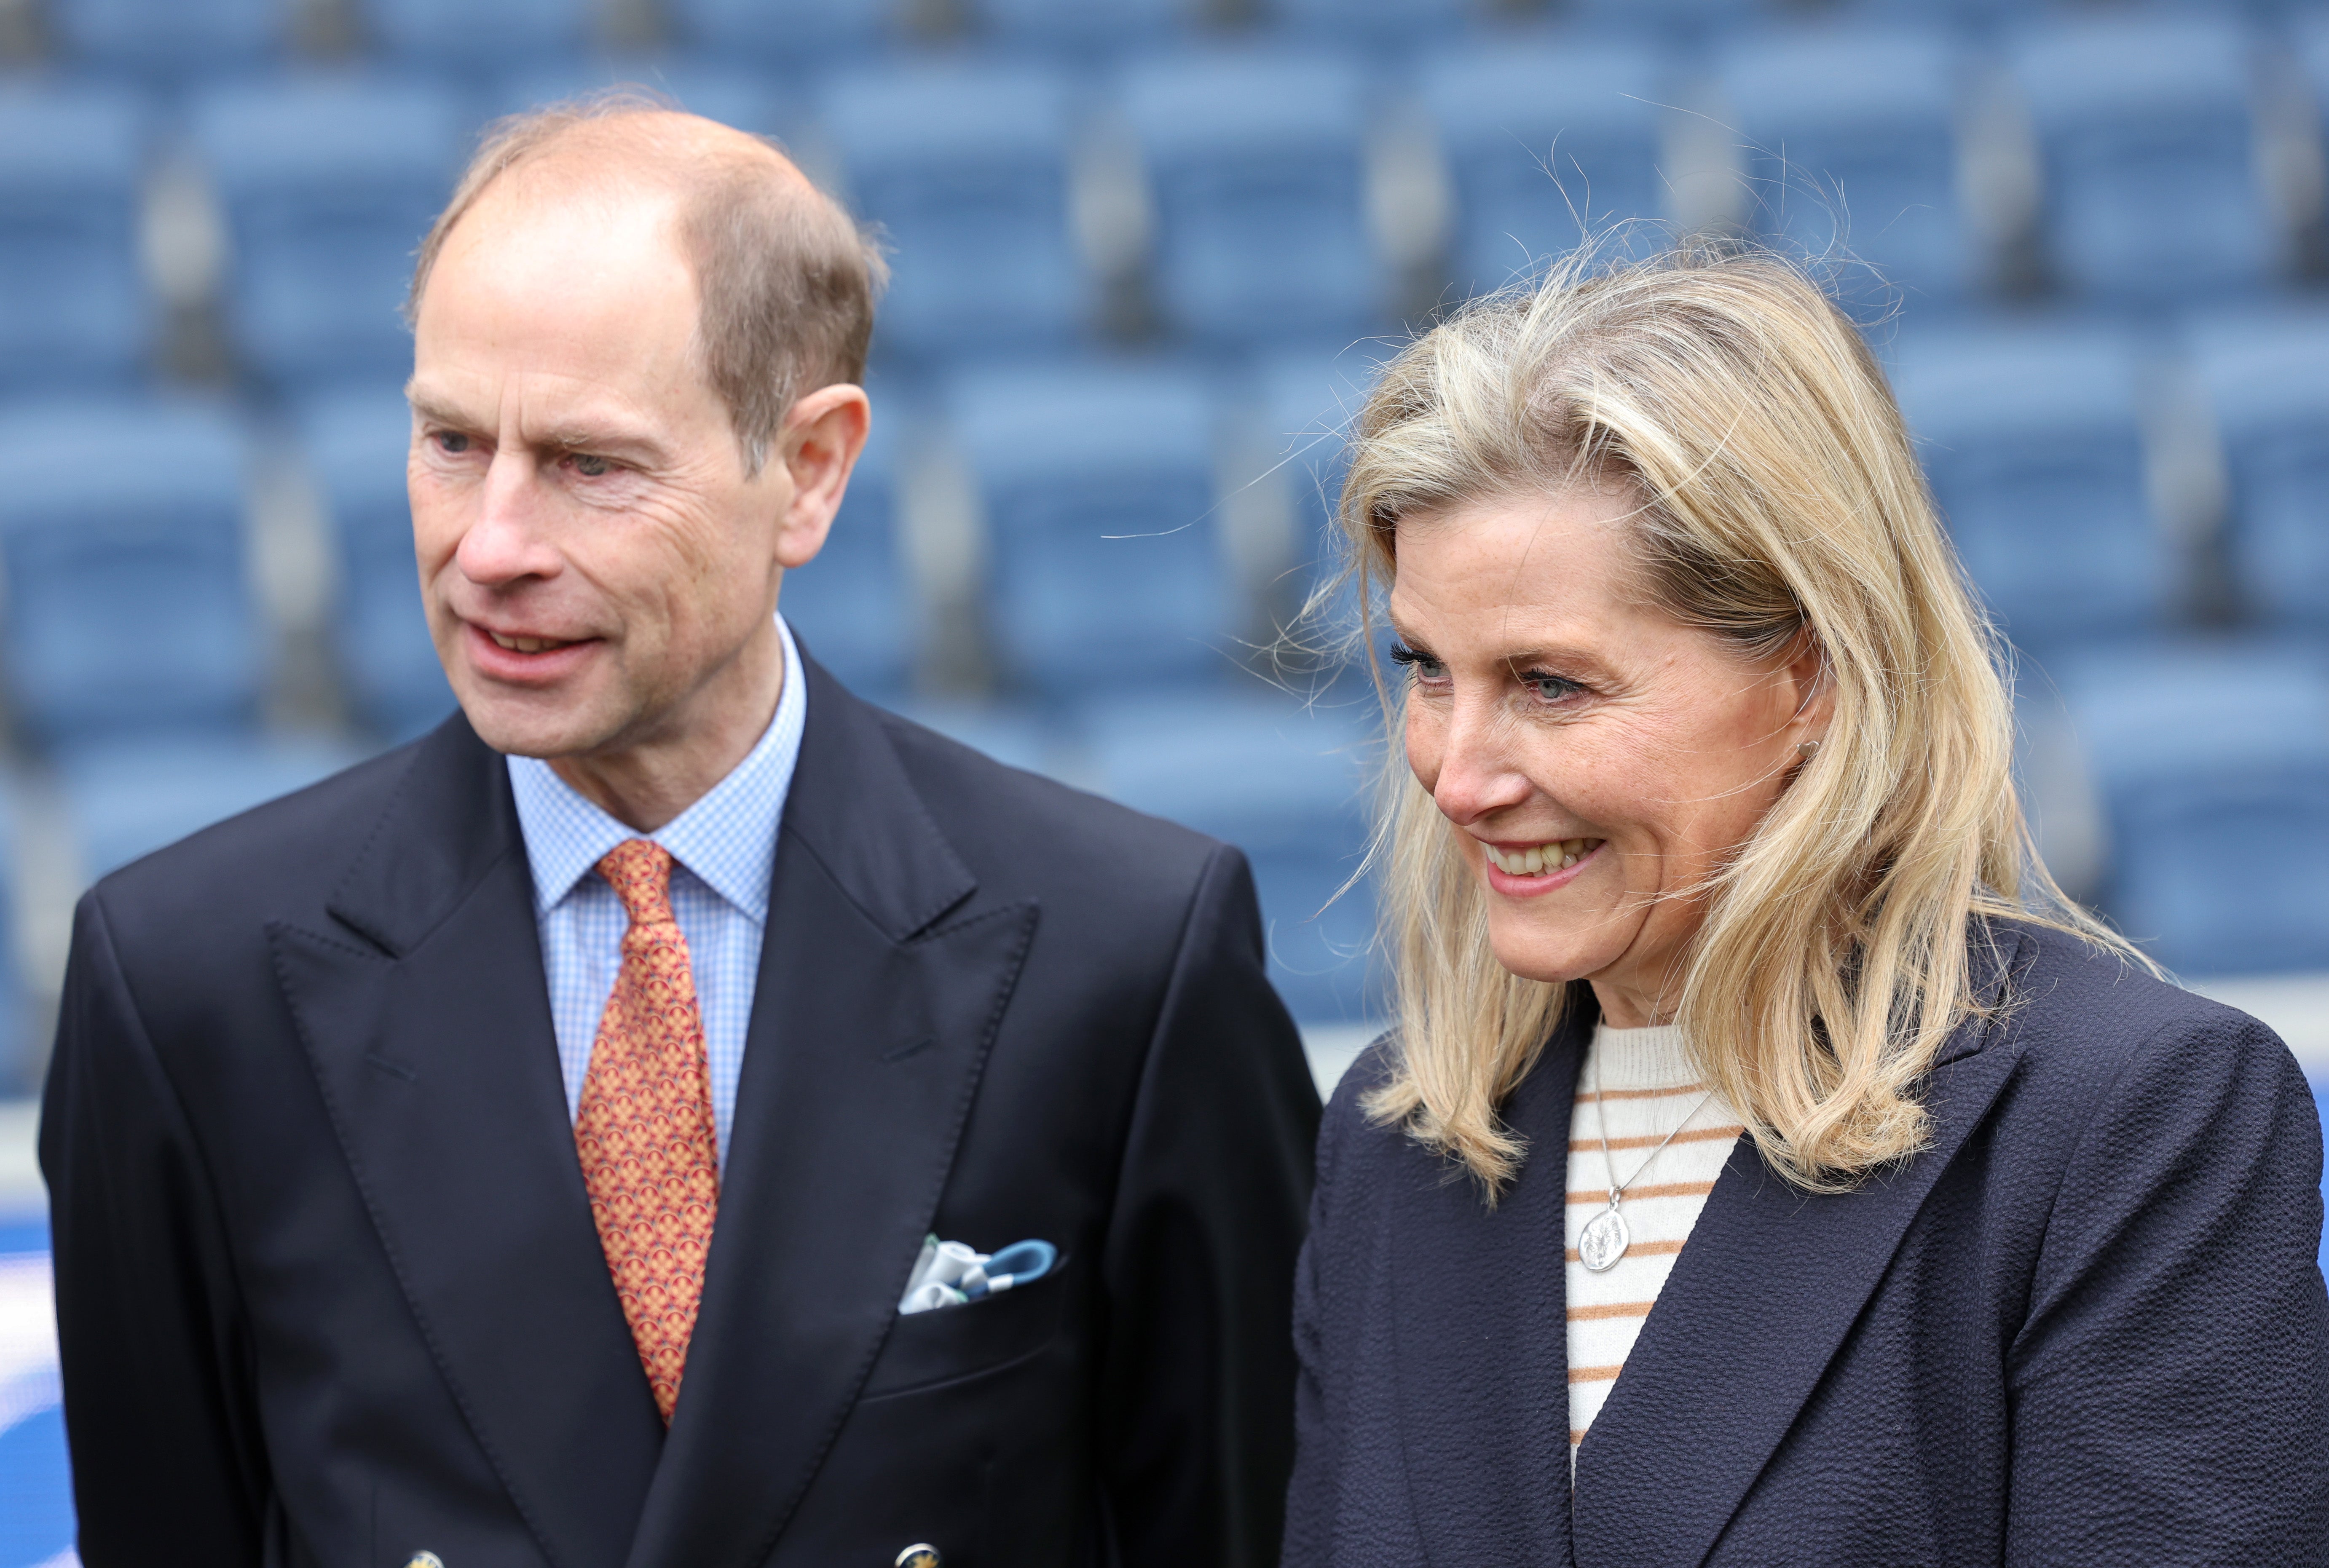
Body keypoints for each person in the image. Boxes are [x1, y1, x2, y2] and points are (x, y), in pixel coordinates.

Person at [41, 99, 1319, 1568]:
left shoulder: (1125, 955)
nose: (492, 545)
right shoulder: (185, 982)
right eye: (453, 441)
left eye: (592, 464)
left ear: (814, 469)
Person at [1282, 246, 2329, 1565]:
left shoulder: (2127, 1124)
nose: (1458, 772)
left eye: (1551, 683)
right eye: (1427, 670)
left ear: (1813, 680)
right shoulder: (1402, 1140)